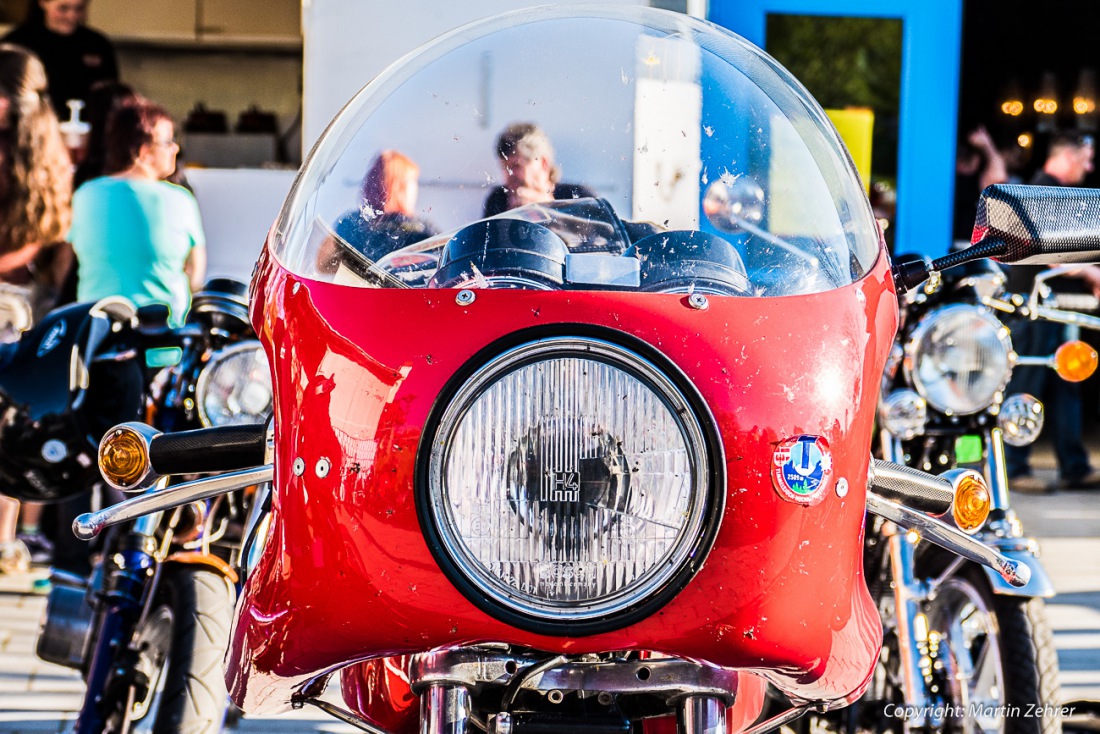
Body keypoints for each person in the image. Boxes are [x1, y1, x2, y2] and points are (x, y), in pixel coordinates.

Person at [0, 44, 73, 573]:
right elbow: (58, 238)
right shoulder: (55, 154)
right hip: (29, 303)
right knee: (10, 423)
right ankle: (8, 542)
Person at [1005, 130, 1100, 493]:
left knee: (1068, 383)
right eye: (1087, 158)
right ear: (1070, 155)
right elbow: (1048, 250)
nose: (1090, 167)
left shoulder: (1052, 192)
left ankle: (1074, 466)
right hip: (1032, 308)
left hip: (1054, 308)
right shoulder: (1042, 190)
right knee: (1027, 385)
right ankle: (1014, 468)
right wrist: (1090, 270)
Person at [69, 97, 206, 327]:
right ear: (144, 152)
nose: (176, 148)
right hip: (163, 339)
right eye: (169, 141)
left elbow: (66, 263)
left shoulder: (85, 194)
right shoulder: (180, 200)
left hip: (97, 333)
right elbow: (196, 278)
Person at [1, 0, 117, 119]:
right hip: (31, 124)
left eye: (79, 9)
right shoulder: (18, 42)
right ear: (43, 3)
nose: (71, 16)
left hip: (84, 126)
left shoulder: (98, 44)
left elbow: (111, 94)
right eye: (63, 8)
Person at [333, 149, 437, 262]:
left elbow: (322, 265)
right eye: (413, 182)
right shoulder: (421, 231)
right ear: (401, 187)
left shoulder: (349, 223)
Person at [483, 122, 596, 217]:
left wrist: (547, 209)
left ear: (543, 163)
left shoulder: (579, 198)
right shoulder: (497, 199)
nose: (509, 174)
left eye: (516, 166)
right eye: (504, 167)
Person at [952, 125, 1008, 244]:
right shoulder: (946, 179)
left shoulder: (979, 177)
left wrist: (988, 146)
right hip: (951, 243)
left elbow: (1000, 178)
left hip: (970, 246)